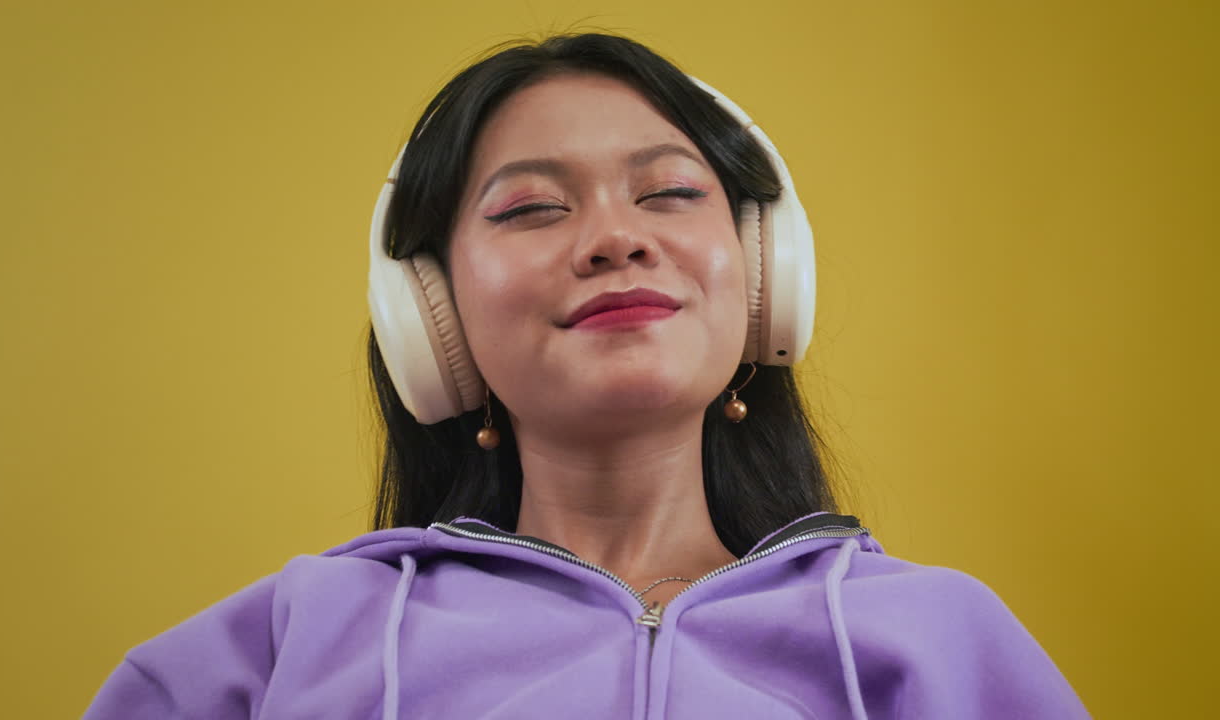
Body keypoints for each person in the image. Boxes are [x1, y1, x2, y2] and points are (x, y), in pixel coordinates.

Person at [84, 33, 1089, 719]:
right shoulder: (286, 643)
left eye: (670, 192)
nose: (615, 238)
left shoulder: (941, 638)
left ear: (762, 273)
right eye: (530, 208)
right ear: (430, 313)